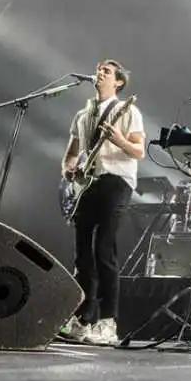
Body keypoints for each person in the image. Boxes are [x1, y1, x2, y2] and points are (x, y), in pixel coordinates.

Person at [59, 60, 145, 346]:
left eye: (107, 71)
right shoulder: (82, 115)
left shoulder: (129, 110)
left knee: (104, 249)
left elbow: (138, 151)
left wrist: (119, 140)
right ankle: (83, 319)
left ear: (118, 82)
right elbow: (71, 153)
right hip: (87, 185)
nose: (99, 73)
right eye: (98, 69)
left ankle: (109, 322)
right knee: (82, 254)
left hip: (116, 181)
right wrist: (68, 170)